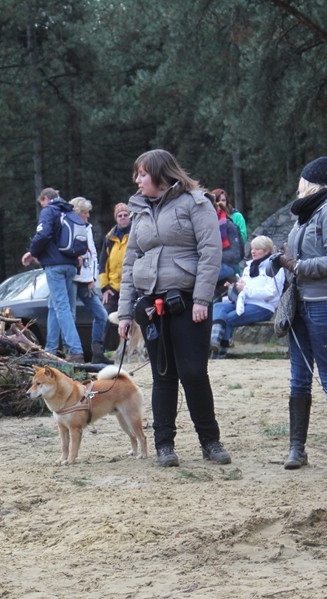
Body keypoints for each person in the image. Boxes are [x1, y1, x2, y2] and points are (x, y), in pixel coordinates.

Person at [116, 149, 232, 467]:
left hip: (188, 300)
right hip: (152, 304)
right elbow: (130, 264)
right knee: (163, 375)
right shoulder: (138, 210)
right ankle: (164, 445)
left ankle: (211, 442)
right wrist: (125, 313)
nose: (137, 180)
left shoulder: (196, 202)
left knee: (194, 373)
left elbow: (210, 253)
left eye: (142, 174)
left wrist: (201, 299)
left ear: (160, 173)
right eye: (136, 175)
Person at [275, 156, 327, 472]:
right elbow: (300, 255)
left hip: (324, 303)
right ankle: (297, 449)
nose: (298, 187)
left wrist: (298, 266)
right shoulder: (306, 215)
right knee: (299, 378)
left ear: (312, 183)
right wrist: (281, 259)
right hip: (301, 303)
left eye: (302, 181)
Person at [20, 188, 85, 362]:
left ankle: (75, 350)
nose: (42, 206)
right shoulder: (68, 210)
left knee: (61, 307)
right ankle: (51, 350)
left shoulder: (49, 210)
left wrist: (32, 252)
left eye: (41, 203)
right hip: (71, 264)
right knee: (55, 306)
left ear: (46, 199)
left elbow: (43, 235)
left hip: (55, 266)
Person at [45, 196, 111, 364]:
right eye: (86, 213)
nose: (88, 216)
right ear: (79, 212)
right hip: (73, 278)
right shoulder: (68, 225)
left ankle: (97, 351)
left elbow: (93, 254)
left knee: (101, 314)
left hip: (87, 280)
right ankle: (70, 353)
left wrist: (93, 278)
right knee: (67, 313)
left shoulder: (86, 227)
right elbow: (70, 249)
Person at [210, 235, 286, 359]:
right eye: (252, 248)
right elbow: (243, 287)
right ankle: (214, 342)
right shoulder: (249, 266)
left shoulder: (275, 268)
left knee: (227, 319)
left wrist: (245, 289)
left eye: (257, 249)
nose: (253, 252)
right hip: (242, 302)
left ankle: (218, 352)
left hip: (263, 307)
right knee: (218, 306)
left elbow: (270, 293)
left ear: (267, 251)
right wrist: (234, 288)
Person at [99, 202, 132, 315]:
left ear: (130, 216)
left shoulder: (136, 234)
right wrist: (104, 288)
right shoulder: (109, 238)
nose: (123, 217)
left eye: (125, 215)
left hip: (132, 287)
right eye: (120, 215)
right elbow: (102, 264)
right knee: (104, 318)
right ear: (116, 218)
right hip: (113, 288)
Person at [210, 189, 244, 284]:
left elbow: (236, 253)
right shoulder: (208, 225)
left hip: (228, 267)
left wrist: (214, 257)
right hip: (215, 266)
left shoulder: (229, 224)